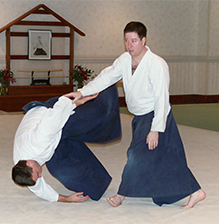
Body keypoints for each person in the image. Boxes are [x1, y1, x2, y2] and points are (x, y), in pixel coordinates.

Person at [65, 21, 206, 208]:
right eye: (126, 41)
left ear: (143, 40)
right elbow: (106, 77)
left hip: (156, 115)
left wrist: (155, 129)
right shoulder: (124, 60)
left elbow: (162, 98)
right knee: (166, 157)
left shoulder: (156, 64)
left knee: (135, 155)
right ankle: (196, 192)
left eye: (134, 41)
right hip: (139, 118)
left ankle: (121, 195)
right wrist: (82, 92)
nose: (129, 45)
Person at [12, 85, 121, 203]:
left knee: (101, 118)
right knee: (62, 172)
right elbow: (40, 190)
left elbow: (56, 115)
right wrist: (67, 199)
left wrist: (78, 101)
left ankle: (108, 81)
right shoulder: (22, 169)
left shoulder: (39, 140)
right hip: (51, 135)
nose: (40, 176)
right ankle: (98, 185)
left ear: (28, 163)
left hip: (50, 111)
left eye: (37, 173)